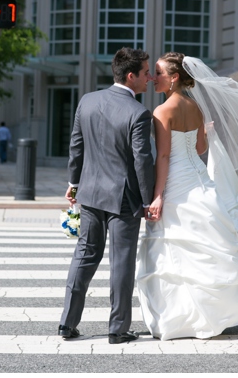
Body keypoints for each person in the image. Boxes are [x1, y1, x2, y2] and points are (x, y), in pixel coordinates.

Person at [135, 52, 238, 341]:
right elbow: (201, 148)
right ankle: (209, 317)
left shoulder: (161, 111)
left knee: (172, 252)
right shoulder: (197, 108)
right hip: (199, 179)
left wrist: (157, 196)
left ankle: (179, 320)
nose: (154, 78)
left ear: (174, 78)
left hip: (176, 183)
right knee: (203, 244)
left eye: (158, 73)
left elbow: (164, 156)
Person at [58, 47, 156, 345]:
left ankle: (67, 323)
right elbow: (142, 160)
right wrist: (147, 200)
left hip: (89, 194)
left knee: (85, 255)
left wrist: (74, 183)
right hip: (123, 199)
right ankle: (118, 328)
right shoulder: (138, 113)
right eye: (146, 73)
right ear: (131, 76)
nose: (150, 78)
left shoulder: (87, 100)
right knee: (121, 261)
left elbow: (76, 146)